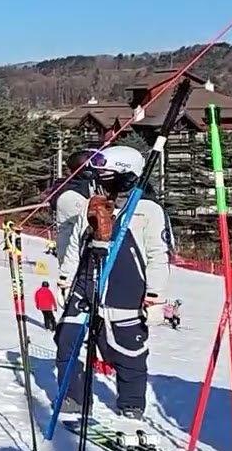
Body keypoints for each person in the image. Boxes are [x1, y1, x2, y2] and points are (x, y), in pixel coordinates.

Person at [52, 145, 172, 419]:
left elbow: (158, 254)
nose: (99, 181)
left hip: (125, 291)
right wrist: (64, 279)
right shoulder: (94, 203)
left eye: (105, 175)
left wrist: (155, 296)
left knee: (127, 350)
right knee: (67, 340)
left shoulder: (147, 210)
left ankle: (131, 404)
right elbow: (74, 243)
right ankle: (72, 398)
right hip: (86, 285)